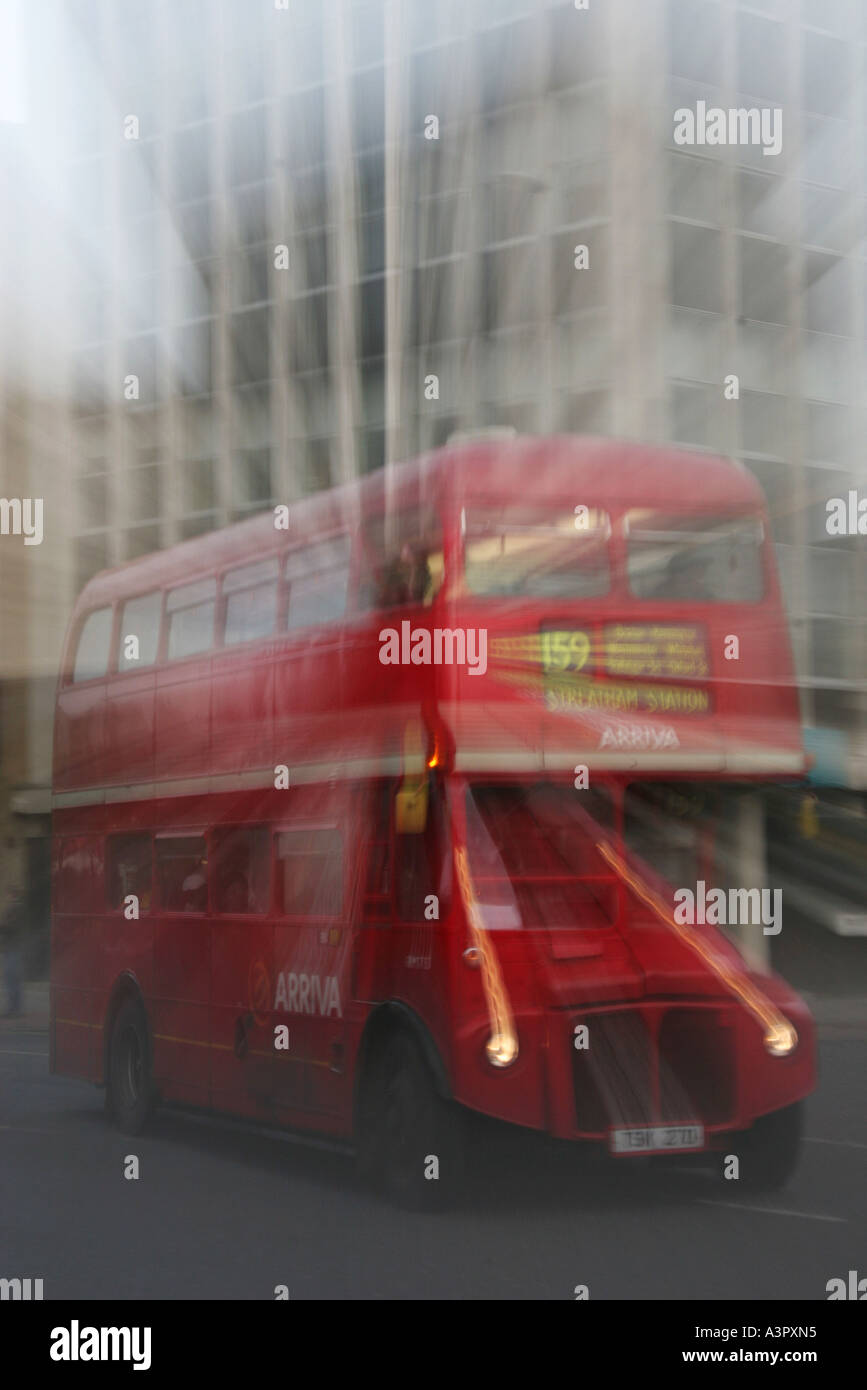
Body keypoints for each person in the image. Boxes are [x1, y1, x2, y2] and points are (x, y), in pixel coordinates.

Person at [0, 887, 26, 1019]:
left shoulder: (16, 908)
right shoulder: (15, 908)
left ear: (12, 895)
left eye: (8, 895)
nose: (7, 897)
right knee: (11, 978)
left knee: (11, 978)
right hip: (11, 947)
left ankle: (14, 1008)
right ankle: (15, 1007)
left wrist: (2, 925)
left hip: (12, 947)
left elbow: (12, 926)